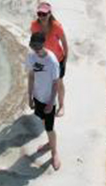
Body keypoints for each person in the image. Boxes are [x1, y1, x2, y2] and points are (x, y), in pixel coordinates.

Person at [26, 31, 65, 172]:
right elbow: (31, 77)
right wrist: (30, 97)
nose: (35, 49)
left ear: (43, 44)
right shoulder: (31, 56)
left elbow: (56, 84)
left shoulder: (52, 61)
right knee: (42, 120)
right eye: (32, 45)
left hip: (49, 100)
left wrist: (50, 103)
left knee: (49, 127)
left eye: (37, 46)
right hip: (37, 96)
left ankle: (54, 152)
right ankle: (50, 143)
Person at [30, 2, 70, 82]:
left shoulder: (57, 27)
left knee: (58, 82)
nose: (41, 16)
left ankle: (60, 95)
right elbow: (34, 43)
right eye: (39, 13)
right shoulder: (34, 25)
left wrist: (64, 61)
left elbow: (64, 44)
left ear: (49, 14)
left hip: (58, 59)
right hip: (43, 59)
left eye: (44, 14)